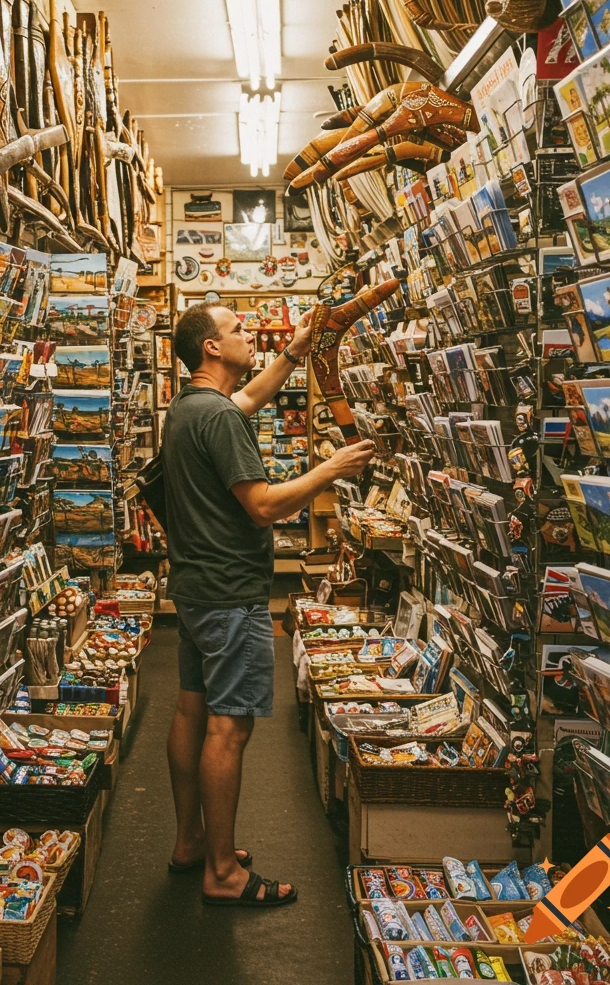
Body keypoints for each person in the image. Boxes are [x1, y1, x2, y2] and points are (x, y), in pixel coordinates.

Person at [162, 301, 376, 908]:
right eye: (236, 330)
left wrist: (292, 353)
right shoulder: (219, 418)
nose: (247, 334)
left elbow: (243, 403)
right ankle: (224, 874)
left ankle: (191, 843)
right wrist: (328, 469)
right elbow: (263, 506)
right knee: (229, 728)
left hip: (197, 587)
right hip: (231, 592)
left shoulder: (190, 407)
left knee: (190, 709)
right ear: (211, 347)